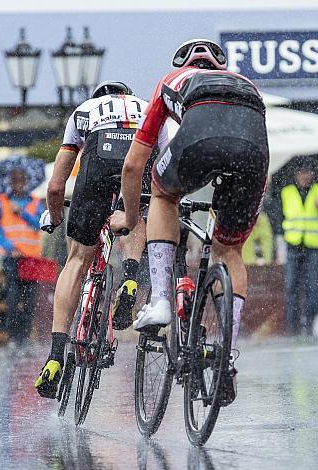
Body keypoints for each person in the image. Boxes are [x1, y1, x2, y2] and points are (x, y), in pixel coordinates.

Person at [112, 39, 269, 405]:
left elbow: (134, 164)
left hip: (199, 141)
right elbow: (248, 138)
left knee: (164, 194)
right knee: (229, 250)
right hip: (253, 153)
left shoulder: (174, 80)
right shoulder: (246, 84)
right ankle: (227, 351)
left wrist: (132, 216)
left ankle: (162, 302)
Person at [34, 80, 169, 399]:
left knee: (77, 261)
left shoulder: (83, 112)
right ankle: (132, 278)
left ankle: (55, 355)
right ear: (127, 95)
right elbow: (167, 163)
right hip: (140, 160)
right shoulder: (148, 109)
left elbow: (55, 188)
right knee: (134, 212)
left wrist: (54, 217)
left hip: (97, 162)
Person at [0, 169, 44, 346]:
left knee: (30, 301)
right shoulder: (1, 201)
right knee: (13, 299)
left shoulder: (35, 202)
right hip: (11, 258)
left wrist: (22, 212)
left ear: (26, 181)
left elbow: (41, 224)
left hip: (31, 259)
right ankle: (13, 337)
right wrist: (8, 247)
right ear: (11, 182)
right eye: (15, 181)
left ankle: (25, 336)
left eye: (21, 180)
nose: (18, 184)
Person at [280, 166, 318, 336]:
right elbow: (279, 215)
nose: (304, 176)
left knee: (312, 287)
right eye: (301, 172)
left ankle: (309, 324)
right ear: (296, 174)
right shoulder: (287, 192)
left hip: (312, 245)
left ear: (312, 174)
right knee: (291, 287)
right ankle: (292, 327)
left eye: (307, 172)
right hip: (293, 244)